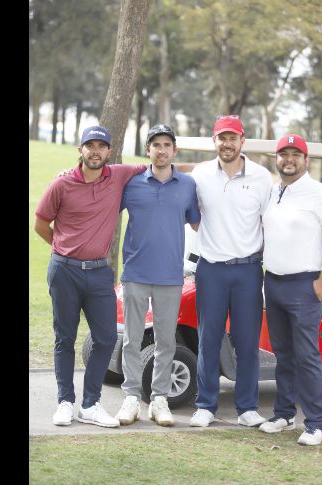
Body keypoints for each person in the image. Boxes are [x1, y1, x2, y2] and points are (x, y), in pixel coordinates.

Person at [34, 125, 147, 428]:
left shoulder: (119, 175)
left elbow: (156, 165)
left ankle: (90, 404)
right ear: (80, 150)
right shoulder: (62, 184)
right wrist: (62, 247)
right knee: (65, 338)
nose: (95, 152)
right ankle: (65, 402)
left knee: (106, 337)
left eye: (101, 146)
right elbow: (41, 223)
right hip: (65, 271)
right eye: (90, 146)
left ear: (109, 152)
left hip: (99, 273)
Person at [258, 133, 322, 446]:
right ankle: (283, 414)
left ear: (306, 160)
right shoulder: (272, 191)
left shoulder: (319, 193)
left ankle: (316, 423)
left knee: (306, 355)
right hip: (274, 282)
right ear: (277, 159)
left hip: (305, 285)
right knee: (283, 353)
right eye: (284, 154)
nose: (289, 160)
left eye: (296, 154)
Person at [188, 115, 273, 428]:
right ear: (214, 141)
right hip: (211, 269)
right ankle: (205, 406)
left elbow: (268, 221)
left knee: (246, 341)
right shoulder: (200, 174)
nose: (227, 144)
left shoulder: (262, 177)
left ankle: (247, 408)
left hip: (248, 270)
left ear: (242, 141)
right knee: (208, 339)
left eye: (232, 138)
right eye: (222, 138)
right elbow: (193, 217)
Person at [114, 124, 201, 427]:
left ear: (174, 150)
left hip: (170, 276)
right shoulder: (132, 183)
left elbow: (198, 222)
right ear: (148, 149)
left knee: (166, 341)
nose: (161, 150)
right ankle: (130, 398)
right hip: (135, 273)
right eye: (156, 145)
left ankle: (159, 399)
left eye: (166, 145)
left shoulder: (187, 185)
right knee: (132, 339)